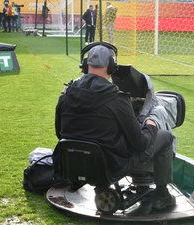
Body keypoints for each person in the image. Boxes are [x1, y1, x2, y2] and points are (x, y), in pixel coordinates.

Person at [55, 43, 176, 211]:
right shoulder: (117, 99)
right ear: (112, 67)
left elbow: (59, 132)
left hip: (72, 163)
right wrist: (151, 125)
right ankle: (163, 195)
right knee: (166, 137)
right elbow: (140, 144)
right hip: (112, 166)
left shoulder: (65, 94)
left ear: (85, 66)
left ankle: (101, 186)